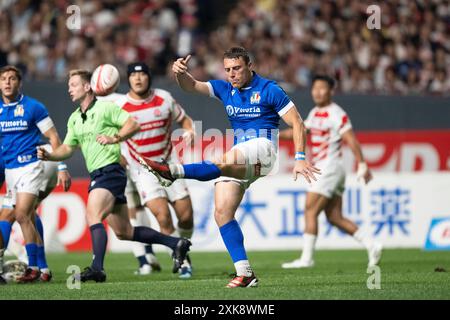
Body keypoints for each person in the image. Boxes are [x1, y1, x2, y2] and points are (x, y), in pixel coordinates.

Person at [139, 47, 320, 288]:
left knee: (224, 159)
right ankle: (245, 273)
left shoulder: (269, 90)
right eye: (227, 70)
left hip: (263, 148)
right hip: (243, 157)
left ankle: (172, 171)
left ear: (249, 66)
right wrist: (180, 73)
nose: (232, 74)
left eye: (237, 68)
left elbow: (297, 123)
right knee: (222, 212)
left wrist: (299, 157)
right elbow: (191, 86)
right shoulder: (225, 88)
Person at [37, 69, 191, 283]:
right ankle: (176, 244)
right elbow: (68, 148)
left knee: (93, 215)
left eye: (73, 84)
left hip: (110, 171)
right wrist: (51, 155)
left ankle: (97, 268)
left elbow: (133, 125)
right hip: (100, 173)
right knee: (124, 231)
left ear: (87, 86)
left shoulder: (106, 108)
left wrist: (115, 138)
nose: (69, 89)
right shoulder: (75, 118)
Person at [279, 75, 382, 269]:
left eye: (322, 88)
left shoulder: (336, 113)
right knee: (334, 217)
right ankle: (372, 244)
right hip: (328, 168)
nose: (317, 92)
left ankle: (306, 259)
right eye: (315, 88)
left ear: (331, 91)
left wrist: (362, 163)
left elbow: (350, 139)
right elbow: (300, 131)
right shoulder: (315, 113)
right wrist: (274, 135)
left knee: (310, 209)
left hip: (329, 166)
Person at [104, 62, 196, 278]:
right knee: (163, 217)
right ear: (128, 79)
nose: (138, 79)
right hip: (143, 170)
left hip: (170, 164)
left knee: (186, 217)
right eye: (133, 75)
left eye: (142, 74)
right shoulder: (119, 106)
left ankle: (183, 244)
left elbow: (185, 120)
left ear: (149, 77)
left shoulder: (164, 99)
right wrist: (119, 156)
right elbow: (111, 137)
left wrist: (190, 131)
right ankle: (183, 259)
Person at [0, 65, 70, 283]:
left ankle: (32, 267)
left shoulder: (34, 107)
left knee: (21, 214)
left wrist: (61, 166)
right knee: (21, 216)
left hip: (31, 166)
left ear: (19, 83)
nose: (7, 82)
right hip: (10, 170)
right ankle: (41, 267)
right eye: (3, 79)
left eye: (12, 78)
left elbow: (54, 138)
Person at [0, 144, 71, 282]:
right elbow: (53, 138)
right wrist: (61, 166)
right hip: (48, 155)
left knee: (7, 215)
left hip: (27, 162)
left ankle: (21, 266)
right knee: (28, 211)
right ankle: (43, 268)